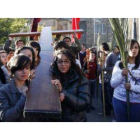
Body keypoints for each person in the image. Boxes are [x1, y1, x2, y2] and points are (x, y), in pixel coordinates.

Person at [50, 49, 90, 122]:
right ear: (56, 63)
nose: (63, 64)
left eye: (66, 61)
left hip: (75, 119)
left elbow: (85, 103)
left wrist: (64, 94)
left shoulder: (80, 78)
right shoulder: (51, 76)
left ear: (71, 63)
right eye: (60, 61)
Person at [111, 39, 140, 122]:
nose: (134, 49)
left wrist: (132, 87)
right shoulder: (119, 64)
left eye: (136, 47)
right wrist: (121, 74)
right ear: (126, 49)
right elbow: (112, 84)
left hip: (136, 102)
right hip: (119, 100)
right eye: (131, 47)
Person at [0, 54, 31, 122]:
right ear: (13, 70)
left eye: (27, 68)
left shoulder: (34, 87)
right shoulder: (3, 91)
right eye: (20, 68)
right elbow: (5, 117)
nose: (24, 71)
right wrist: (23, 97)